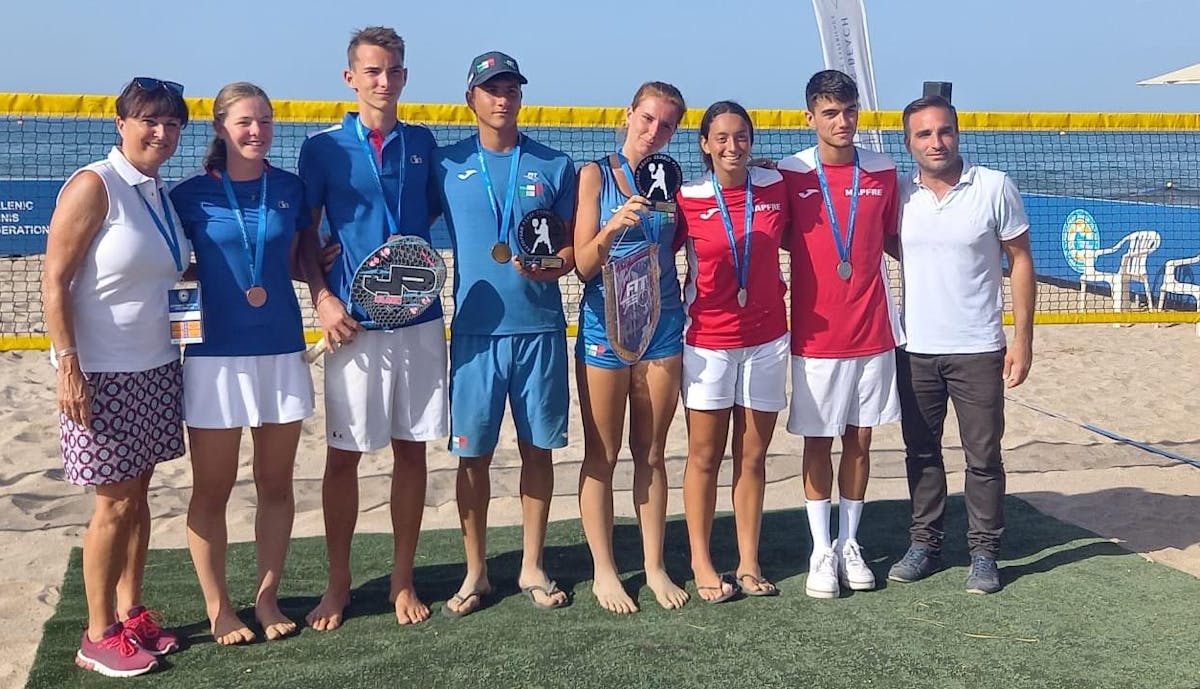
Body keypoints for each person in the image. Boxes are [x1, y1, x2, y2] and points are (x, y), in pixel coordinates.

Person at [297, 26, 447, 629]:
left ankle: (402, 581)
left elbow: (435, 211)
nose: (384, 82)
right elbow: (306, 234)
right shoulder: (322, 148)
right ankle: (339, 584)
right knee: (345, 456)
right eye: (373, 71)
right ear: (350, 78)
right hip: (352, 324)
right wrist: (322, 296)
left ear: (405, 77)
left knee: (412, 452)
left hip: (418, 318)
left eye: (393, 71)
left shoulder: (424, 143)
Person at [42, 77, 189, 677]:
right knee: (112, 504)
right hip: (101, 373)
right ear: (121, 122)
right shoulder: (94, 184)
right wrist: (68, 366)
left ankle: (131, 612)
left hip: (155, 366)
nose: (161, 132)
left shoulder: (156, 191)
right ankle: (96, 632)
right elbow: (54, 281)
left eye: (173, 123)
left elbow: (166, 270)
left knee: (138, 497)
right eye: (149, 120)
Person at [170, 82, 323, 644]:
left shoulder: (290, 188)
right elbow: (166, 265)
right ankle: (218, 610)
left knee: (276, 485)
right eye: (243, 122)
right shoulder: (188, 196)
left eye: (264, 120)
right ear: (220, 128)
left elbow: (296, 258)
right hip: (213, 359)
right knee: (212, 489)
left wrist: (325, 279)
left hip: (281, 350)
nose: (256, 130)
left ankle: (266, 598)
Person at [432, 51, 576, 617]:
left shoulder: (554, 164)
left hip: (540, 329)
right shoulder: (443, 166)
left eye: (511, 87)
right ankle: (475, 572)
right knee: (474, 457)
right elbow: (397, 221)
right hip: (473, 335)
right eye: (492, 88)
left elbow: (567, 246)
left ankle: (532, 565)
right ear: (471, 97)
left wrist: (557, 265)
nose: (503, 97)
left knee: (538, 450)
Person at [887, 95, 1035, 594]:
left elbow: (1021, 262)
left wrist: (1023, 340)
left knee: (983, 456)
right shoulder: (899, 193)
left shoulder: (994, 187)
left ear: (958, 133)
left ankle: (984, 553)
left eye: (944, 131)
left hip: (978, 347)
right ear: (908, 143)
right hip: (916, 348)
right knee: (922, 452)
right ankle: (925, 544)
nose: (936, 141)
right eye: (924, 134)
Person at [777, 70, 902, 599]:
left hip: (873, 331)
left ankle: (850, 543)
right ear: (810, 117)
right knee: (817, 441)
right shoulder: (786, 174)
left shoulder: (885, 171)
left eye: (848, 111)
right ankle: (819, 548)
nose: (842, 121)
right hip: (815, 334)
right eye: (829, 112)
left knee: (861, 439)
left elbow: (902, 240)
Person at [573, 81, 690, 614]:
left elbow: (682, 248)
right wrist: (612, 227)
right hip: (605, 328)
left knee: (652, 453)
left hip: (662, 329)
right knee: (602, 452)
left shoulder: (673, 184)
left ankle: (655, 566)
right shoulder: (595, 173)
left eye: (665, 125)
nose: (653, 132)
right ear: (628, 115)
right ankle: (604, 570)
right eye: (646, 119)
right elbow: (581, 265)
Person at [676, 101, 790, 601]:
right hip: (708, 342)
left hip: (767, 339)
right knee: (704, 456)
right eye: (720, 137)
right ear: (704, 144)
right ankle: (702, 561)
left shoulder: (775, 187)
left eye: (741, 136)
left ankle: (747, 561)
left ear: (752, 140)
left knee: (753, 456)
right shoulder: (686, 198)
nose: (732, 146)